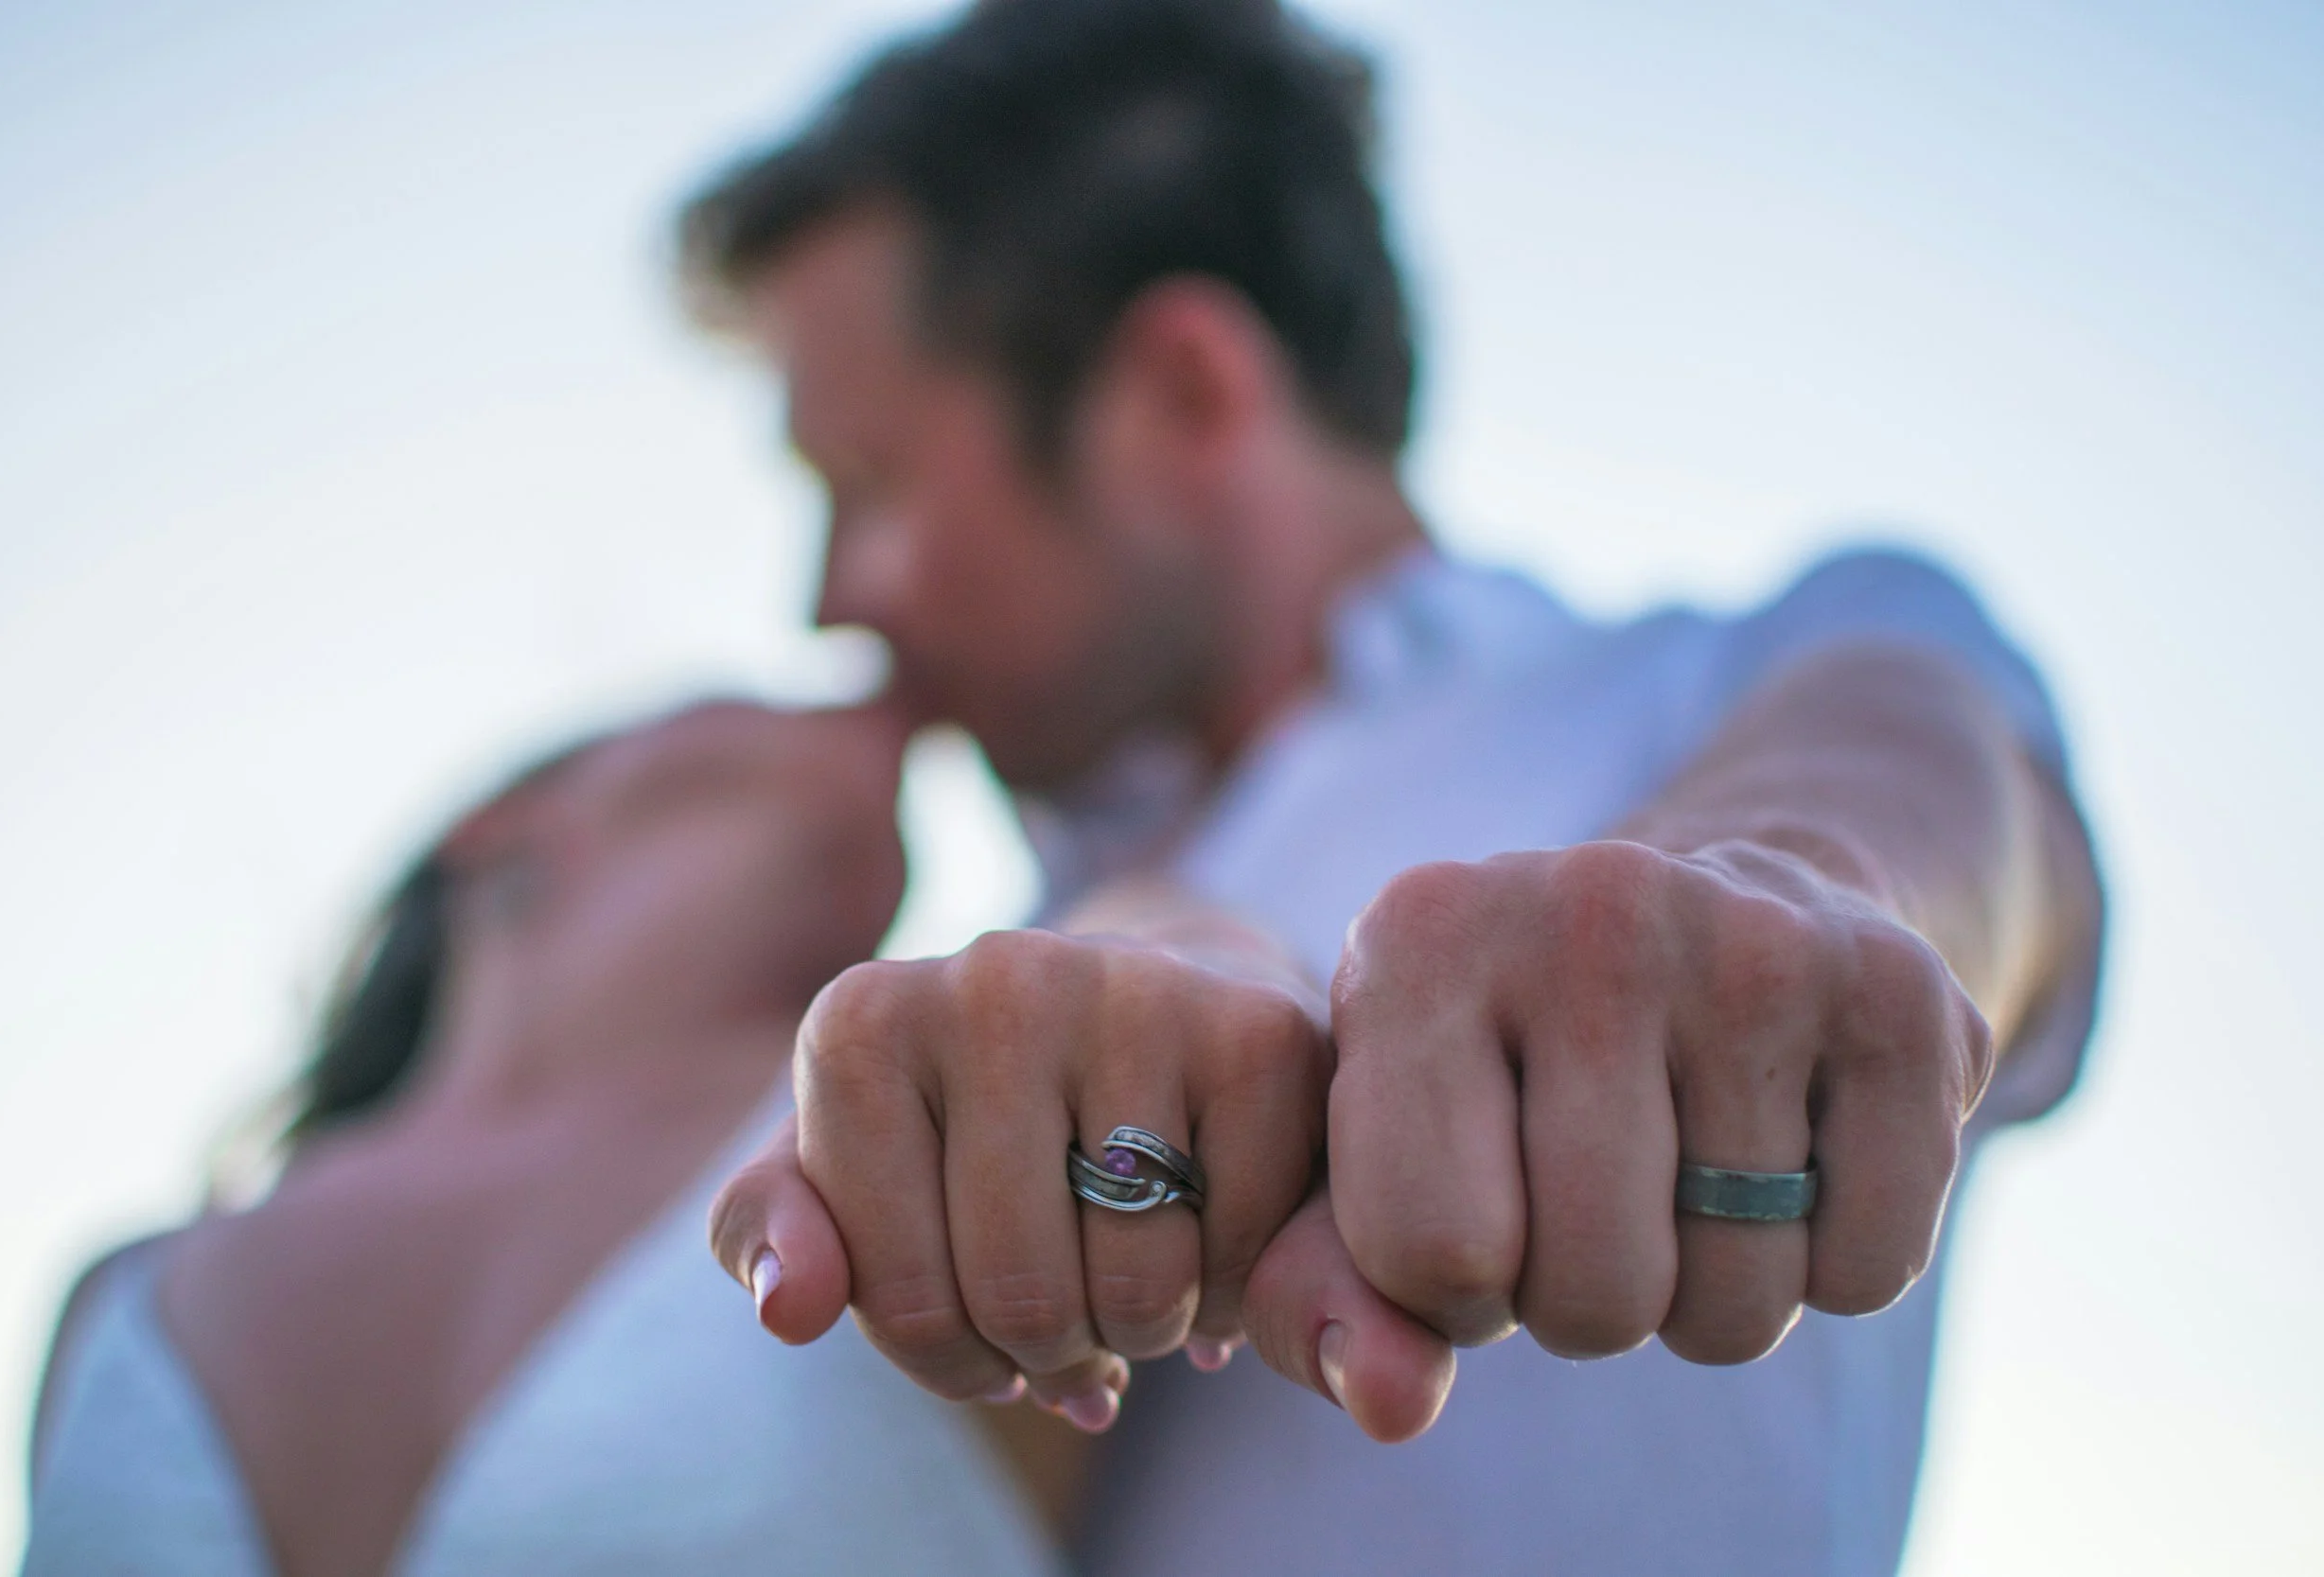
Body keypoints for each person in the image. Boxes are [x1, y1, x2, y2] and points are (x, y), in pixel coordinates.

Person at [678, 1, 2106, 1573]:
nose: (829, 595)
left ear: (1185, 392)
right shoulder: (1011, 948)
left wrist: (1780, 881)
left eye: (867, 485)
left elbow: (1947, 800)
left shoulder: (1760, 670)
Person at [23, 702, 1073, 1577]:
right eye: (754, 690)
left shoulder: (946, 1116)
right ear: (500, 823)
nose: (877, 711)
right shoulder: (115, 1300)